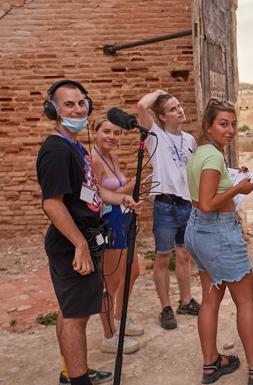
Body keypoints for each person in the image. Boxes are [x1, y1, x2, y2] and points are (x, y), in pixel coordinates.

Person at [37, 79, 139, 385]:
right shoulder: (55, 150)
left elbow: (91, 193)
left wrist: (122, 198)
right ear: (52, 109)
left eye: (81, 102)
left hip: (83, 239)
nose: (77, 109)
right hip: (71, 243)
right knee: (76, 317)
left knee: (70, 310)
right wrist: (80, 244)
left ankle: (71, 371)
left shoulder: (76, 146)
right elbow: (52, 205)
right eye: (68, 104)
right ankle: (79, 380)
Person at [185, 98, 253, 384]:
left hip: (197, 231)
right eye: (223, 124)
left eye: (234, 124)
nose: (230, 130)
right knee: (245, 300)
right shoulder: (213, 158)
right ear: (208, 126)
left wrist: (234, 176)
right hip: (218, 232)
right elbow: (210, 203)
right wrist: (240, 187)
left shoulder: (201, 153)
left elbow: (204, 193)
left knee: (210, 300)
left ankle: (211, 364)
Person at [137, 90, 199, 330]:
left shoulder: (190, 140)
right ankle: (165, 307)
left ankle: (185, 301)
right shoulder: (156, 135)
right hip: (164, 203)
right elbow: (142, 106)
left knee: (184, 255)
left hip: (185, 204)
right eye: (173, 109)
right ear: (162, 117)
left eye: (179, 105)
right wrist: (160, 93)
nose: (180, 110)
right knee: (163, 256)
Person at [91, 112, 143, 354]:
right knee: (110, 280)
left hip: (123, 216)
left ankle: (120, 317)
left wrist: (128, 193)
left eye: (117, 132)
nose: (112, 136)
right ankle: (109, 335)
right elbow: (98, 195)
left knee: (133, 271)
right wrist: (128, 189)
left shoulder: (111, 157)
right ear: (95, 131)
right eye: (107, 131)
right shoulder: (94, 160)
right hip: (109, 220)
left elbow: (116, 189)